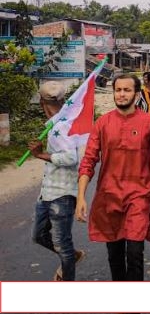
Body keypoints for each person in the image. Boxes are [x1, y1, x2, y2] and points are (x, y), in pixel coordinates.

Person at [76, 74, 150, 281]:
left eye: (127, 90)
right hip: (109, 196)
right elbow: (88, 161)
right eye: (118, 90)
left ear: (136, 93)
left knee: (135, 252)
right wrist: (81, 197)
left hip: (139, 196)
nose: (122, 94)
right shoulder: (102, 123)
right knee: (114, 254)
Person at [30, 81, 85, 281]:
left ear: (41, 103)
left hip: (62, 195)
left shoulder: (62, 127)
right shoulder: (56, 124)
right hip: (47, 191)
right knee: (38, 235)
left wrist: (41, 155)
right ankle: (72, 255)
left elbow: (71, 158)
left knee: (63, 244)